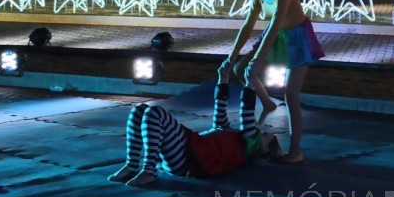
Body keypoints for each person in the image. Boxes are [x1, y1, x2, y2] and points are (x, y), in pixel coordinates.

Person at [220, 0, 324, 164]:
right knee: (241, 69)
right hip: (275, 36)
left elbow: (276, 24)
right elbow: (248, 25)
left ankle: (296, 151)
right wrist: (231, 57)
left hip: (297, 39)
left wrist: (258, 59)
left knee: (291, 94)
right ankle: (268, 104)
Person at [108, 66, 283, 187]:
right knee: (140, 110)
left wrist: (250, 85)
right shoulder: (234, 136)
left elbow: (247, 116)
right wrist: (223, 78)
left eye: (266, 136)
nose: (262, 132)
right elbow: (220, 109)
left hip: (188, 159)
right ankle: (132, 165)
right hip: (186, 148)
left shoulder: (250, 147)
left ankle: (149, 170)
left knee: (155, 114)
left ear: (265, 148)